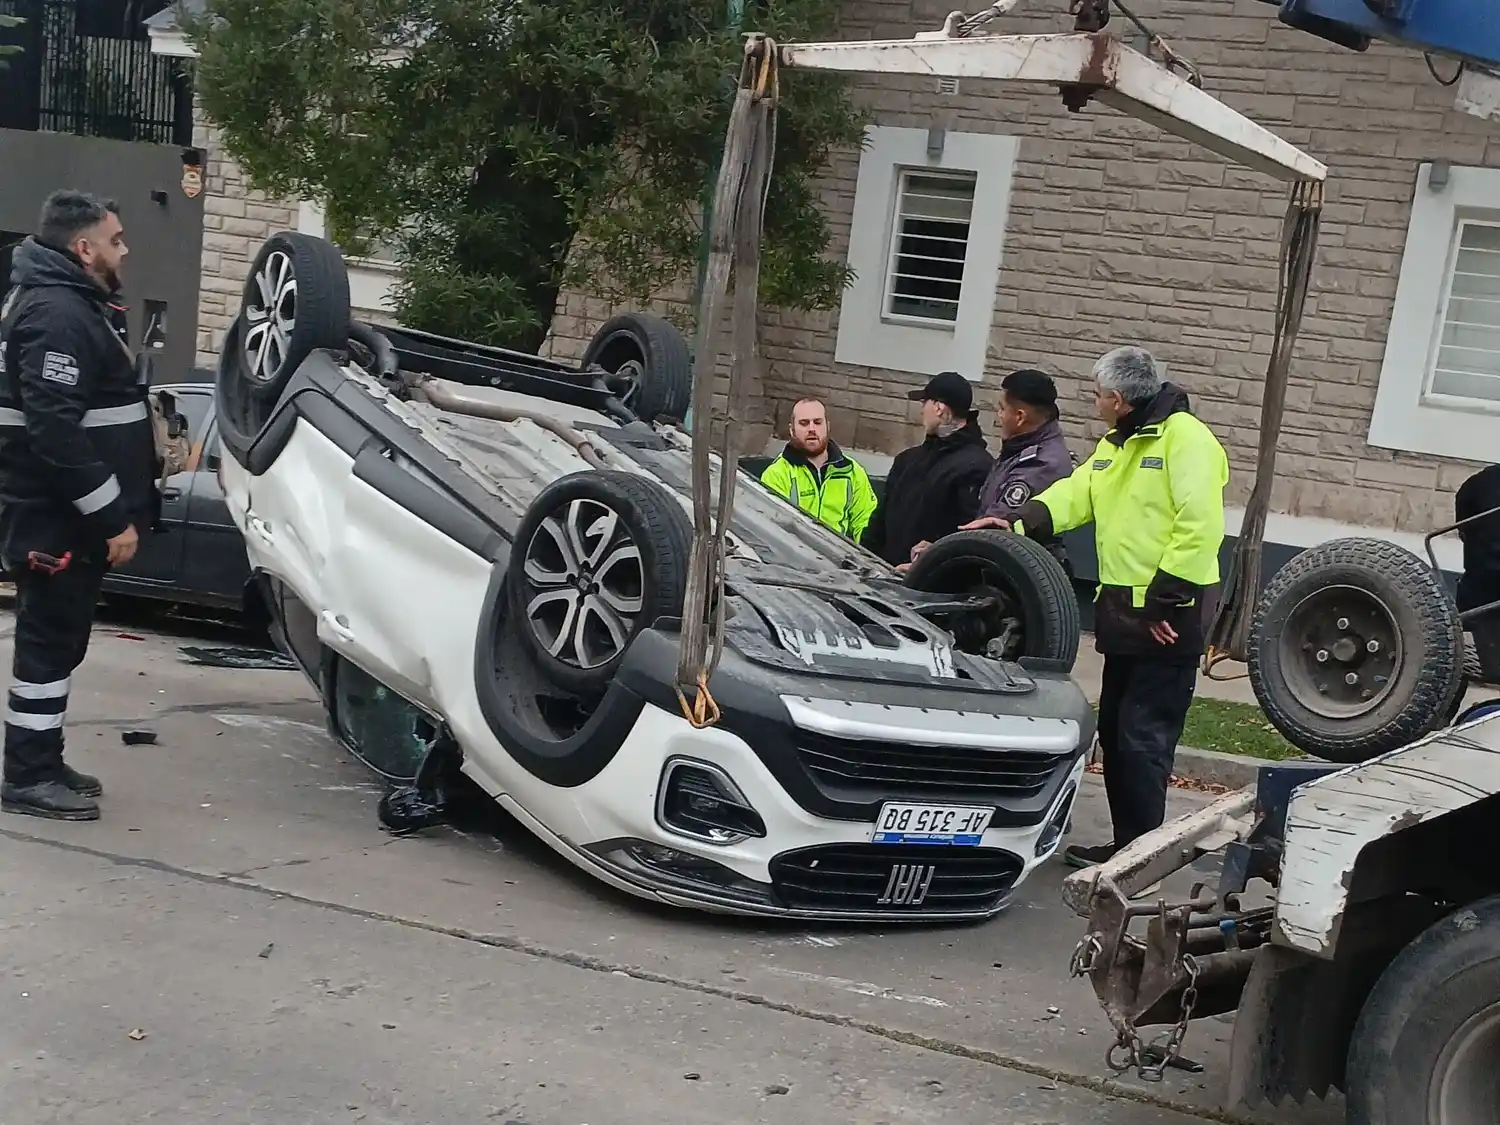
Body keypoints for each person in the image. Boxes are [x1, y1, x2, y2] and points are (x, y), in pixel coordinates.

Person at [997, 346, 1228, 868]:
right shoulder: (1118, 444)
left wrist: (1167, 605)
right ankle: (1127, 845)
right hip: (1126, 613)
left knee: (1145, 737)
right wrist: (1017, 524)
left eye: (1098, 395)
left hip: (1167, 615)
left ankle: (1140, 856)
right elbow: (1078, 493)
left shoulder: (1187, 440)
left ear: (1119, 399)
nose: (1094, 402)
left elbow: (1200, 527)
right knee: (1119, 732)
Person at [0, 190, 157, 822]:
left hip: (61, 516)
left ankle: (42, 757)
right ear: (83, 248)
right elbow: (56, 433)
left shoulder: (71, 304)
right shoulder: (57, 314)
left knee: (59, 644)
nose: (124, 250)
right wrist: (110, 516)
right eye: (115, 240)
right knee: (46, 645)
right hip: (54, 516)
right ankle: (27, 775)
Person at [923, 367, 1076, 569]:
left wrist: (936, 561)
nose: (998, 417)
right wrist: (937, 551)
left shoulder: (1040, 465)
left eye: (1002, 409)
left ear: (1020, 417)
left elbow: (994, 529)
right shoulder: (1020, 449)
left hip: (1020, 576)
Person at [861, 371, 994, 569]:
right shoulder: (907, 460)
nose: (922, 410)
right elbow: (878, 524)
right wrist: (862, 560)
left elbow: (967, 537)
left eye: (925, 402)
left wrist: (927, 564)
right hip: (882, 577)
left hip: (929, 587)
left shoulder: (976, 467)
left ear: (939, 408)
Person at [759, 395, 878, 542]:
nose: (811, 429)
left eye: (817, 422)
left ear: (827, 426)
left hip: (841, 559)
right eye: (804, 423)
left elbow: (866, 525)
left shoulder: (852, 472)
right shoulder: (777, 474)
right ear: (792, 430)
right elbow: (772, 531)